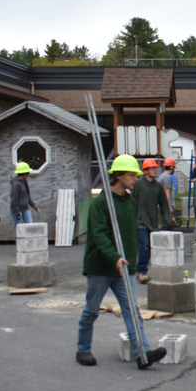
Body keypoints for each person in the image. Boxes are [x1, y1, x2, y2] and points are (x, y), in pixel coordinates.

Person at [75, 154, 166, 369]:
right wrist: (114, 257)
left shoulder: (129, 203)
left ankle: (142, 354)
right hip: (101, 267)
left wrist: (131, 265)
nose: (136, 178)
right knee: (91, 310)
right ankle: (83, 349)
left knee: (132, 311)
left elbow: (130, 237)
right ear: (119, 176)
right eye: (132, 175)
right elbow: (99, 235)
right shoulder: (100, 204)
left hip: (123, 267)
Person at [134, 158, 173, 284]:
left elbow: (164, 205)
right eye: (151, 168)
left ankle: (139, 270)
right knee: (144, 245)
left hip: (152, 223)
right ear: (145, 171)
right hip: (140, 221)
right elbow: (131, 201)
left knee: (149, 247)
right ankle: (142, 272)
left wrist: (168, 220)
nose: (155, 170)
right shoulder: (139, 184)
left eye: (155, 168)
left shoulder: (158, 187)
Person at [157, 157, 178, 228]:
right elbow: (167, 194)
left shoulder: (162, 176)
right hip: (167, 207)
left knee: (165, 225)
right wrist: (170, 208)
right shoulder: (167, 178)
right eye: (174, 167)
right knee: (167, 226)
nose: (174, 169)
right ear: (172, 167)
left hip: (163, 206)